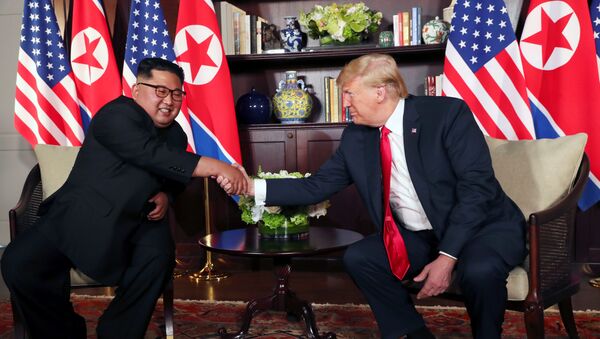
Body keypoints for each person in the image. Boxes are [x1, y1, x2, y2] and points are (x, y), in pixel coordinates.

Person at [227, 53, 526, 338]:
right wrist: (250, 186)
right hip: (421, 234)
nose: (344, 103)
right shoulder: (357, 136)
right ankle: (414, 334)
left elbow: (478, 189)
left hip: (483, 227)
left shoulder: (446, 115)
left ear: (380, 92)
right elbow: (316, 186)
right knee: (361, 257)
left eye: (349, 94)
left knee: (479, 271)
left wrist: (447, 258)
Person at [1, 58, 246, 338]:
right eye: (160, 91)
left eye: (177, 93)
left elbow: (171, 174)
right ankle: (64, 330)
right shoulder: (116, 114)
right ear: (136, 89)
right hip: (81, 213)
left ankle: (117, 331)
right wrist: (220, 168)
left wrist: (167, 194)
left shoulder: (176, 134)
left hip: (138, 220)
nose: (169, 101)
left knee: (158, 257)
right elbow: (151, 154)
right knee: (18, 263)